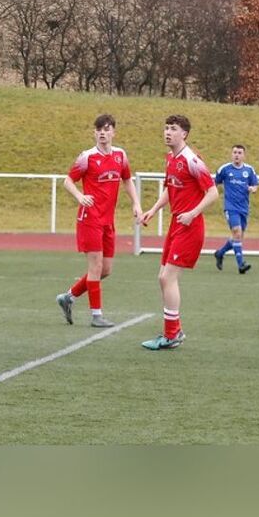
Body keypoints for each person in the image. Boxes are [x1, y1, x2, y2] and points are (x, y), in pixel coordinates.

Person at [54, 114, 143, 328]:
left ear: (113, 132)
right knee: (95, 266)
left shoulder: (121, 155)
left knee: (105, 270)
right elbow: (68, 180)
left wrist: (136, 204)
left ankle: (69, 297)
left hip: (108, 220)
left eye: (107, 129)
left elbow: (127, 180)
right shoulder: (87, 157)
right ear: (94, 133)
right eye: (99, 129)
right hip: (90, 219)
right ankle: (97, 316)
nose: (103, 133)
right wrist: (80, 196)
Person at [138, 115, 218, 351]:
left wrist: (193, 213)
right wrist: (152, 210)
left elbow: (212, 193)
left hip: (190, 226)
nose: (167, 132)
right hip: (176, 224)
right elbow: (170, 189)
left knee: (167, 277)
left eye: (173, 129)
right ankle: (175, 330)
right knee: (162, 277)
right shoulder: (171, 159)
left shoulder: (191, 160)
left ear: (184, 134)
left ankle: (171, 335)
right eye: (166, 128)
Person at [213, 145, 258, 274]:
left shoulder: (249, 170)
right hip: (230, 207)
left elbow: (255, 185)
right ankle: (241, 264)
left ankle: (220, 253)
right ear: (231, 154)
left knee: (237, 237)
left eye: (239, 153)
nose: (237, 155)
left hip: (243, 208)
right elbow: (214, 183)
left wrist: (252, 189)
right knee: (237, 233)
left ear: (244, 155)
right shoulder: (225, 169)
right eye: (235, 152)